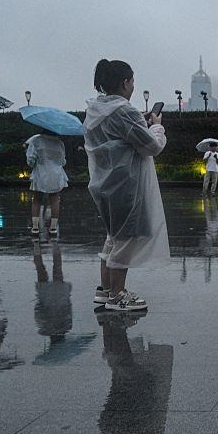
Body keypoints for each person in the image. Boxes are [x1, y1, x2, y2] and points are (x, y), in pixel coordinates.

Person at [84, 59, 170, 312]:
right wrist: (157, 127)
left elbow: (118, 137)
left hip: (103, 183)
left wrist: (139, 123)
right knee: (127, 237)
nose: (133, 86)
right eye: (132, 81)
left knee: (114, 235)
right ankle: (118, 294)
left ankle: (105, 289)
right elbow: (151, 147)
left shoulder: (95, 110)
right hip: (127, 184)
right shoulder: (124, 111)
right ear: (124, 83)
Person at [25, 131, 68, 235]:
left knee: (37, 199)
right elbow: (63, 161)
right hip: (56, 175)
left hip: (40, 173)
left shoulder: (36, 140)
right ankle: (53, 228)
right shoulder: (59, 143)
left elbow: (30, 161)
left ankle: (35, 227)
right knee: (55, 200)